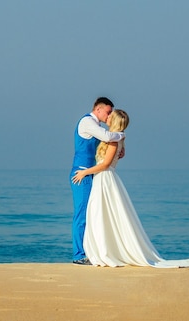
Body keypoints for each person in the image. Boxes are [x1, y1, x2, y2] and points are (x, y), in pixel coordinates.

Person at [72, 109, 189, 268]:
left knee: (100, 215)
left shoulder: (113, 140)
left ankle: (103, 252)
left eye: (110, 117)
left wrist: (85, 172)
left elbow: (105, 165)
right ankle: (100, 251)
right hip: (102, 179)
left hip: (104, 179)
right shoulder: (115, 138)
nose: (107, 118)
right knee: (100, 216)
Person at [70, 97, 125, 265]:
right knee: (81, 215)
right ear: (98, 109)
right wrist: (122, 134)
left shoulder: (96, 126)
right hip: (81, 174)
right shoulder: (87, 122)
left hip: (91, 174)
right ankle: (79, 255)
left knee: (91, 214)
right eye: (108, 112)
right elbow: (108, 137)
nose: (109, 116)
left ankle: (89, 252)